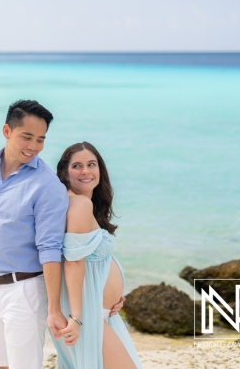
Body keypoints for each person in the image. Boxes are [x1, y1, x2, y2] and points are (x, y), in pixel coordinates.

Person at [0, 99, 69, 369]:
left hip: (25, 290)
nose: (34, 147)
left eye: (41, 139)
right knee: (0, 364)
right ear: (7, 131)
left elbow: (50, 249)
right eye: (27, 137)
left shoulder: (47, 186)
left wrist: (54, 308)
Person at [53, 142, 142, 369]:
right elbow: (73, 262)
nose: (86, 171)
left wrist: (111, 294)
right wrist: (76, 317)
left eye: (91, 164)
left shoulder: (77, 203)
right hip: (86, 314)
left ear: (100, 170)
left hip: (97, 311)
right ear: (64, 172)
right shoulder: (79, 204)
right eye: (77, 166)